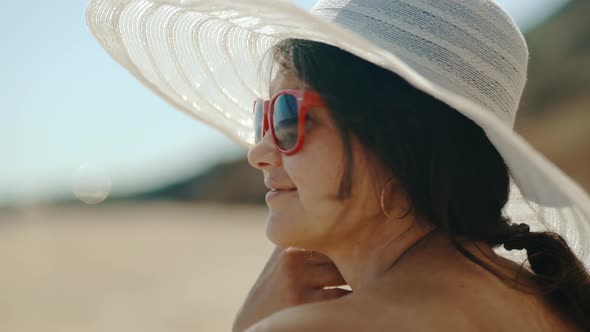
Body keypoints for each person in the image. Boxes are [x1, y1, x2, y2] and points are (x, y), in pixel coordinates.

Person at [86, 0, 590, 331]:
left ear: (396, 145)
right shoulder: (548, 300)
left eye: (287, 116)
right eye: (263, 116)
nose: (258, 151)